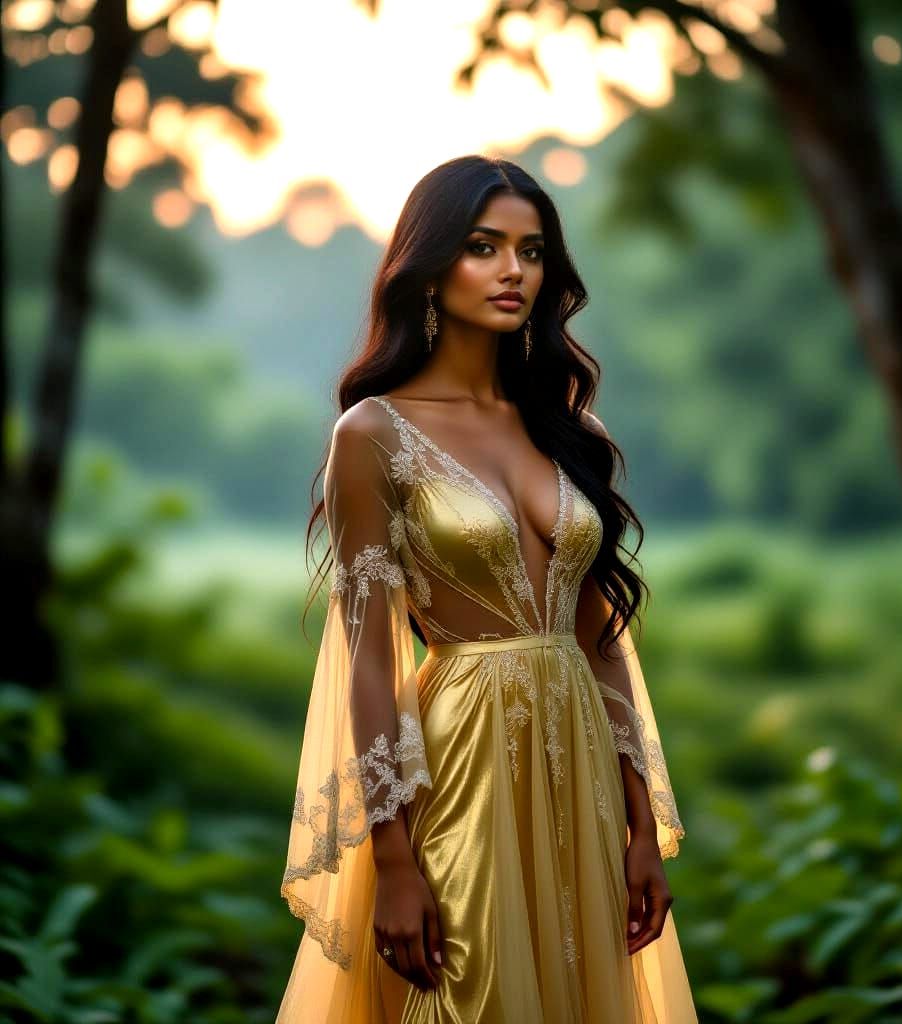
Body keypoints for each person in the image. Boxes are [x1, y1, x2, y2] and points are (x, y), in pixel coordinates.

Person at [276, 155, 699, 1023]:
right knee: (470, 995)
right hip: (461, 758)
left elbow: (602, 642)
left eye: (532, 251)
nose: (514, 271)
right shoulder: (374, 434)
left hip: (578, 759)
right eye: (484, 246)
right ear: (429, 265)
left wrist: (642, 830)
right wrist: (392, 861)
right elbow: (369, 659)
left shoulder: (570, 429)